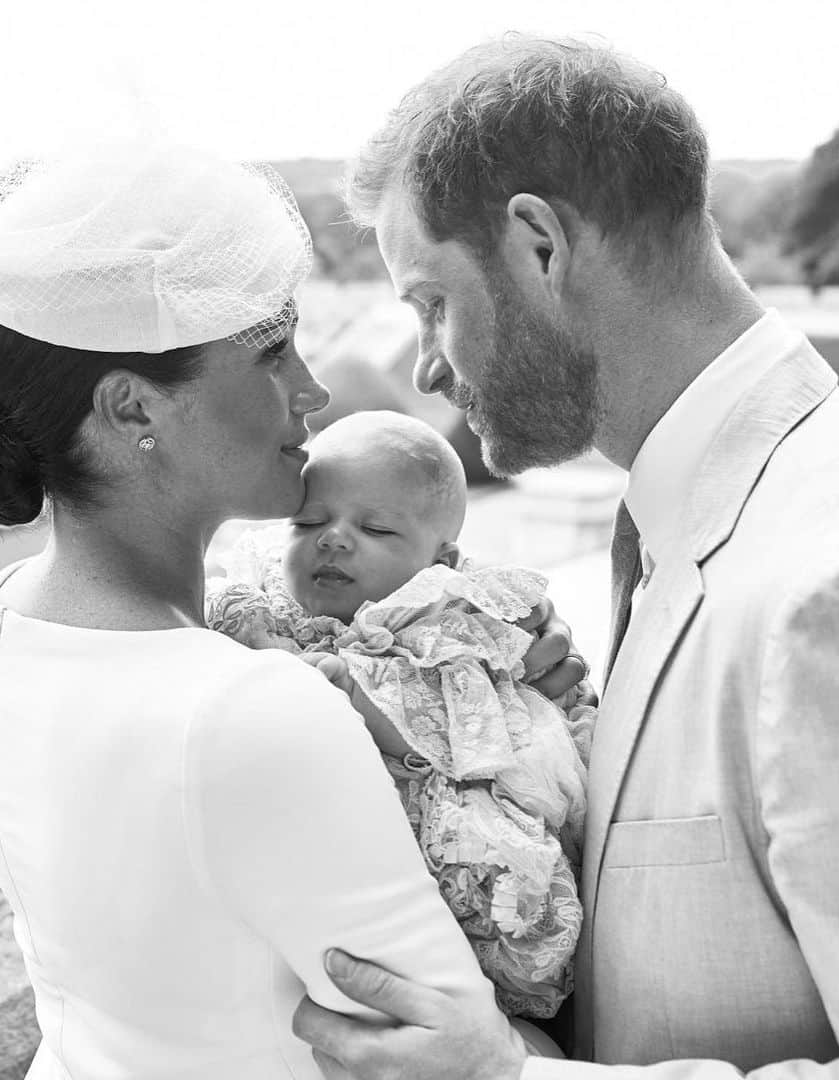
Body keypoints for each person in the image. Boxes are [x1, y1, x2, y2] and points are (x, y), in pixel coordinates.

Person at [290, 35, 839, 1080]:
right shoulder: (686, 515)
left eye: (432, 302)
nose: (426, 364)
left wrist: (507, 1078)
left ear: (540, 248)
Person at [0, 140, 583, 1079]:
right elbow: (463, 1051)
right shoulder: (257, 707)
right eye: (271, 355)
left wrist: (475, 667)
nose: (311, 391)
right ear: (133, 405)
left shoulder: (10, 619)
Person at [207, 409, 595, 1020]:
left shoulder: (439, 623)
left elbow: (442, 725)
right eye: (308, 521)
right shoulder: (262, 599)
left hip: (440, 818)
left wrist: (341, 690)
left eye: (378, 530)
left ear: (441, 559)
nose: (333, 538)